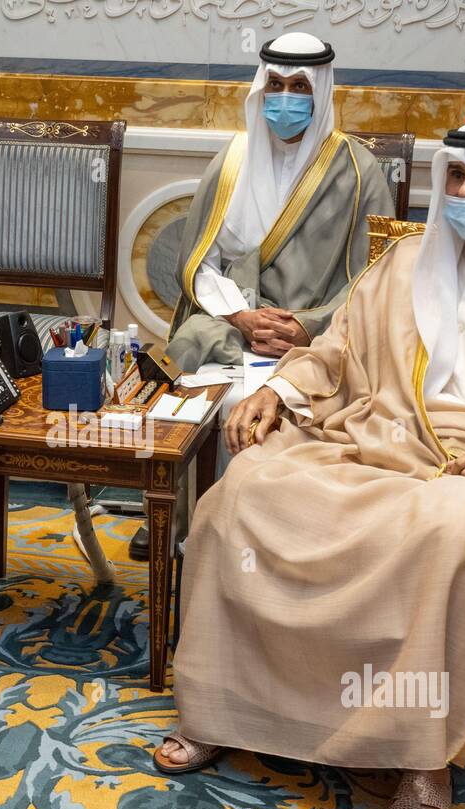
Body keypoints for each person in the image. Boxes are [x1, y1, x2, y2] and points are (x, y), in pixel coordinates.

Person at [154, 118, 465, 809]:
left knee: (452, 536)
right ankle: (225, 711)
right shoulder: (406, 264)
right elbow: (337, 352)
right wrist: (279, 392)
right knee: (243, 493)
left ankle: (421, 761)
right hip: (382, 437)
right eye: (458, 178)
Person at [129, 31, 394, 561]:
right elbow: (200, 260)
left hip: (319, 335)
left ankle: (262, 537)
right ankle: (175, 515)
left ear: (321, 92)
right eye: (276, 84)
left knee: (317, 385)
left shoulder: (359, 171)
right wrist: (242, 316)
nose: (287, 98)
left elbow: (380, 276)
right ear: (261, 89)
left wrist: (308, 326)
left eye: (300, 86)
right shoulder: (234, 161)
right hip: (237, 322)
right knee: (187, 354)